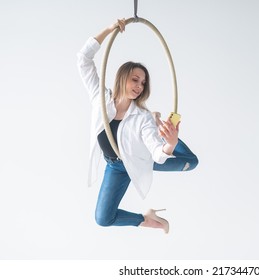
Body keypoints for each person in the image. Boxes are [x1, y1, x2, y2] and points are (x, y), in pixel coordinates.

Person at [77, 18, 198, 234]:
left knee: (192, 162)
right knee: (103, 218)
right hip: (116, 166)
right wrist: (108, 29)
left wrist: (169, 144)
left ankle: (169, 133)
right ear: (123, 78)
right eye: (135, 80)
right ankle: (148, 219)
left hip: (141, 159)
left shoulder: (141, 117)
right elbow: (83, 58)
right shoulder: (100, 98)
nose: (139, 86)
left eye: (143, 83)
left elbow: (156, 153)